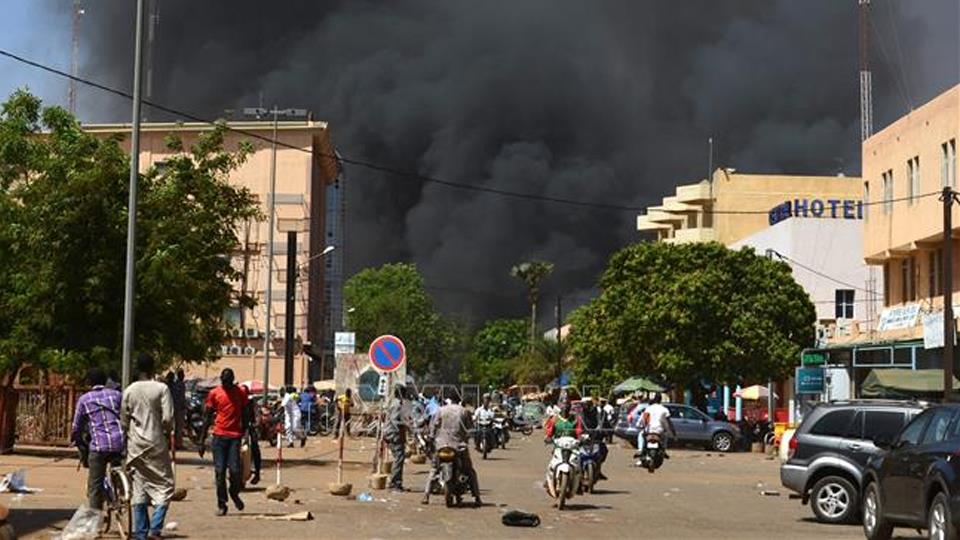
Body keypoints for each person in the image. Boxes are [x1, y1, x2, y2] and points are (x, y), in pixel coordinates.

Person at [121, 354, 175, 540]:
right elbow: (168, 419)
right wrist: (166, 431)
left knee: (139, 487)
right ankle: (155, 528)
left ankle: (141, 533)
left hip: (135, 444)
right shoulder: (162, 388)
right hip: (156, 442)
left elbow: (124, 419)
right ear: (153, 369)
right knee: (165, 485)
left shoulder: (129, 390)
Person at [71, 367, 124, 511]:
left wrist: (77, 440)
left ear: (89, 382)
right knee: (119, 464)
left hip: (99, 446)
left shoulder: (85, 399)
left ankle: (96, 522)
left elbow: (76, 427)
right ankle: (122, 490)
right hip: (120, 442)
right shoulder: (117, 395)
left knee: (94, 486)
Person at [199, 368, 249, 516]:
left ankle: (234, 493)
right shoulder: (214, 393)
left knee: (234, 470)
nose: (226, 384)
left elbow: (246, 412)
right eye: (224, 381)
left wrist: (246, 431)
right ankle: (222, 504)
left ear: (232, 380)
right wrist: (201, 441)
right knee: (219, 472)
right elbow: (207, 417)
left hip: (234, 437)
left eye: (228, 381)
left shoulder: (240, 393)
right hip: (219, 437)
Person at [421, 394, 481, 506]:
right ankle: (477, 497)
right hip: (459, 446)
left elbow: (432, 428)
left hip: (441, 445)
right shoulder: (464, 411)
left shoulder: (440, 410)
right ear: (459, 400)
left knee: (434, 469)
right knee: (470, 471)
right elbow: (470, 429)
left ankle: (426, 495)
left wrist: (431, 438)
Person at [637, 394, 676, 465]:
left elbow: (644, 419)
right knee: (665, 437)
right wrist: (673, 433)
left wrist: (643, 426)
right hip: (659, 431)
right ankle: (663, 451)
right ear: (660, 400)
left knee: (643, 437)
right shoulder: (664, 409)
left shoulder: (649, 408)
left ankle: (641, 451)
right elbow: (669, 422)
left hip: (649, 430)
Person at [383, 385, 408, 492]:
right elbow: (394, 421)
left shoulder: (395, 403)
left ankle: (396, 482)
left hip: (393, 434)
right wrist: (405, 424)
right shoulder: (397, 405)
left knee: (399, 458)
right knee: (399, 459)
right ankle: (394, 483)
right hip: (393, 434)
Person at [240, 384, 262, 485]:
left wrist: (255, 424)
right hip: (237, 429)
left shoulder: (251, 403)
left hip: (249, 428)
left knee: (254, 447)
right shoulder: (235, 401)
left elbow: (257, 415)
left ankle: (257, 473)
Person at [172, 369, 187, 450]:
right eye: (182, 374)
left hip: (175, 408)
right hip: (179, 409)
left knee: (176, 427)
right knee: (179, 427)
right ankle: (177, 444)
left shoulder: (174, 384)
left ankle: (175, 444)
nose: (183, 376)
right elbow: (181, 398)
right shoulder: (180, 385)